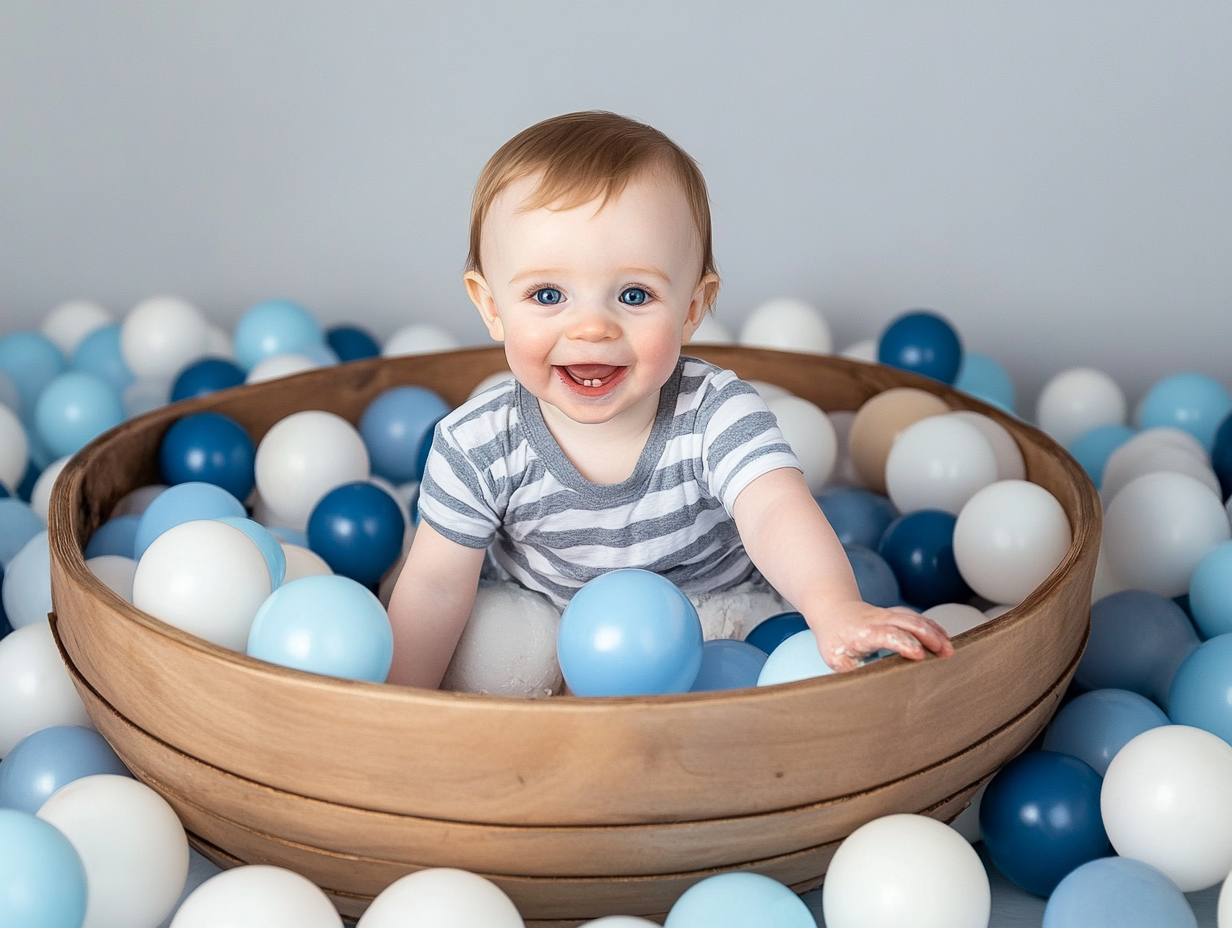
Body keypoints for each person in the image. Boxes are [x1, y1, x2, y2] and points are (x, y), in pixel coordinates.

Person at [386, 111, 952, 689]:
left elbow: (774, 511)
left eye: (634, 294)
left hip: (707, 620)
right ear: (490, 306)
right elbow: (436, 585)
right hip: (546, 621)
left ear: (691, 307)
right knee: (492, 642)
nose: (591, 328)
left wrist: (836, 610)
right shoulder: (476, 442)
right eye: (547, 294)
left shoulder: (716, 413)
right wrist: (396, 706)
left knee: (765, 661)